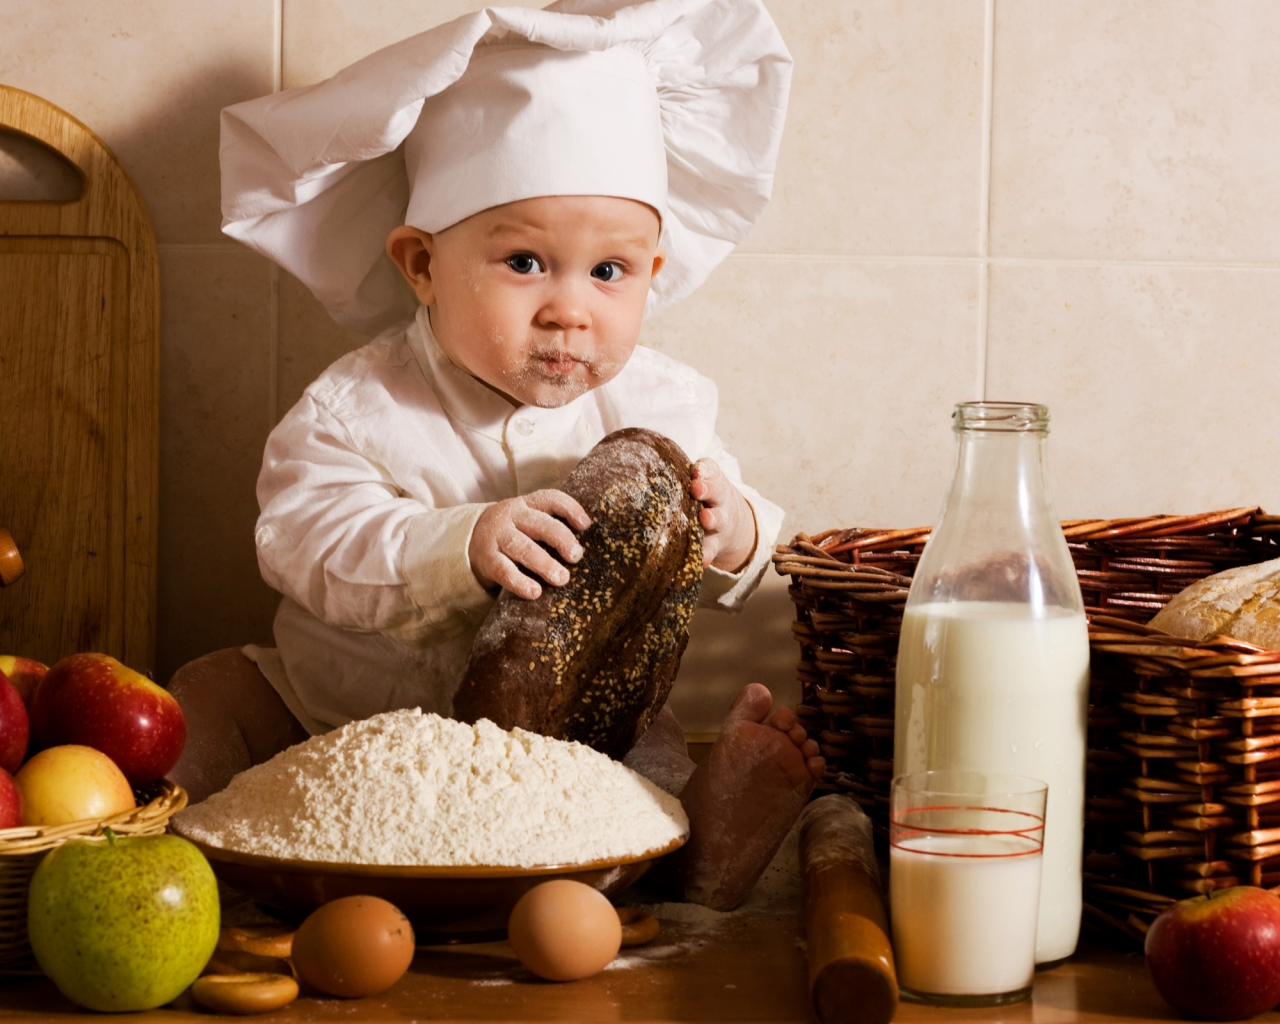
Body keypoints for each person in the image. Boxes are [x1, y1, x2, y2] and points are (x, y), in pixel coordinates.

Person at [169, 0, 823, 911]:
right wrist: (458, 545)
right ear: (422, 264)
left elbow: (719, 565)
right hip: (344, 731)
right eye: (525, 262)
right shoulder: (358, 406)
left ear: (653, 275)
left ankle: (700, 858)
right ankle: (175, 861)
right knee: (210, 692)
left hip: (575, 754)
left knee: (643, 781)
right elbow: (302, 540)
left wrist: (733, 527)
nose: (570, 308)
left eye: (609, 272)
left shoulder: (661, 404)